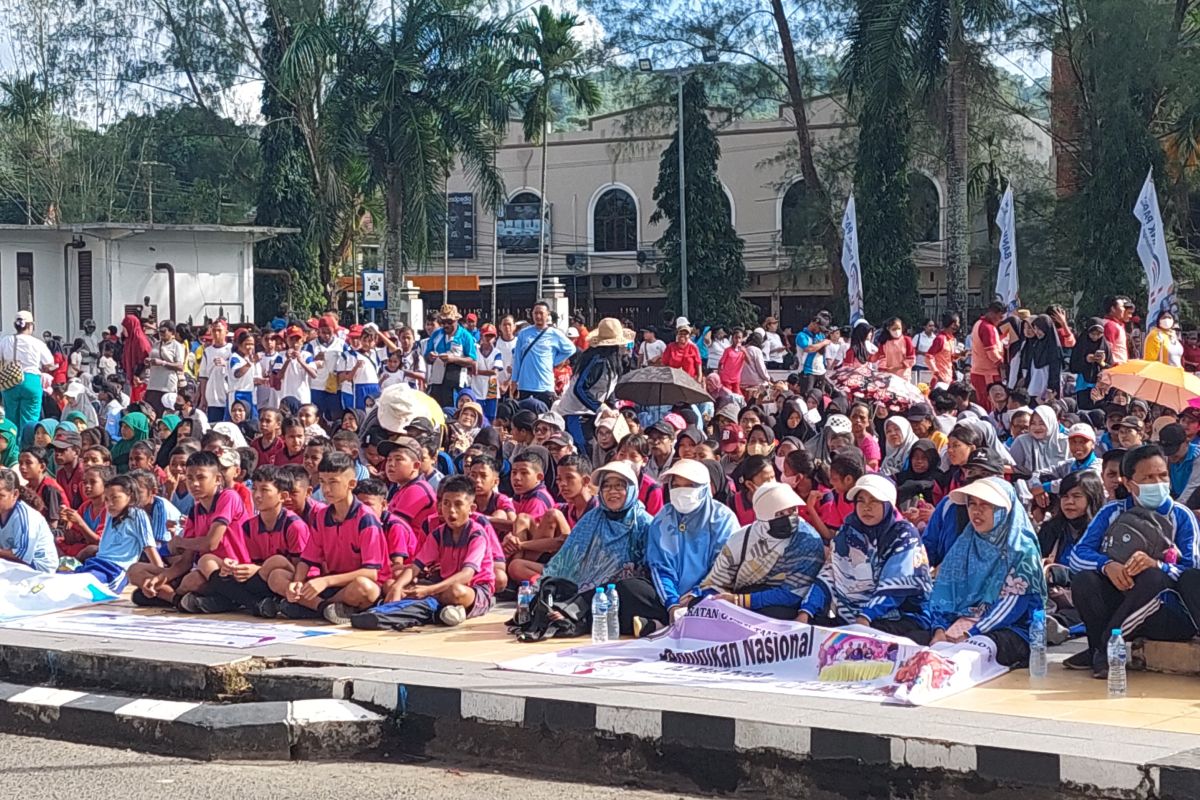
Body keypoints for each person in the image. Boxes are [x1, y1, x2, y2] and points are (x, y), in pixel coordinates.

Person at [1068, 444, 1198, 678]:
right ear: (1129, 483)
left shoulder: (1181, 515)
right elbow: (1077, 556)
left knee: (1153, 577)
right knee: (1085, 580)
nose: (1157, 483)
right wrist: (1107, 566)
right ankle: (1097, 647)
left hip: (1166, 611)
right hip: (1123, 598)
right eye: (1148, 477)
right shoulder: (1112, 512)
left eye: (1162, 475)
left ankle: (1107, 647)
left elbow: (1192, 571)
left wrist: (1157, 564)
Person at [928, 477, 1047, 667]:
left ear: (1003, 510)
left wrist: (971, 633)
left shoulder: (1022, 551)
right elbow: (943, 593)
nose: (976, 511)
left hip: (1011, 629)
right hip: (962, 623)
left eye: (986, 505)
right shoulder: (964, 544)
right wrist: (939, 630)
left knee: (974, 652)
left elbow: (1012, 607)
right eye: (972, 504)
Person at [614, 459, 736, 637]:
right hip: (670, 596)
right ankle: (673, 621)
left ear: (704, 488)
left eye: (689, 485)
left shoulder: (722, 519)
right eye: (676, 485)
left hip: (707, 592)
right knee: (629, 588)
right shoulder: (663, 519)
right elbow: (660, 567)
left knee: (721, 601)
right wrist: (672, 604)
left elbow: (724, 569)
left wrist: (695, 594)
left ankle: (662, 626)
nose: (682, 491)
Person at [271, 452, 386, 623]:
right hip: (328, 583)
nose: (326, 489)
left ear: (351, 484)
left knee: (364, 588)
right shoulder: (322, 516)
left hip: (352, 585)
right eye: (323, 482)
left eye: (333, 482)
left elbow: (371, 573)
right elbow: (307, 559)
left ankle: (316, 607)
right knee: (277, 576)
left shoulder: (365, 518)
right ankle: (325, 608)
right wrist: (297, 582)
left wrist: (326, 581)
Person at [825, 474, 932, 642]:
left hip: (902, 615)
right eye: (861, 500)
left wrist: (865, 617)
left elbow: (895, 588)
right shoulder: (848, 531)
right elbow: (830, 572)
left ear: (888, 505)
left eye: (874, 501)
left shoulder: (904, 535)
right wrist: (806, 611)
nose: (866, 507)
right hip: (854, 613)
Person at [701, 482, 826, 620]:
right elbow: (716, 580)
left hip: (782, 604)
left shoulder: (807, 540)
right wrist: (715, 599)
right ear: (764, 517)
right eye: (780, 513)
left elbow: (793, 594)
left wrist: (740, 601)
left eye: (792, 510)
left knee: (774, 615)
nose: (789, 518)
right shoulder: (741, 539)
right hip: (741, 593)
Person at [386, 476, 497, 626]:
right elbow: (416, 566)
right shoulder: (438, 534)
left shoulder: (477, 534)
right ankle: (442, 610)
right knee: (392, 584)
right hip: (441, 584)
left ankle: (430, 607)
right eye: (446, 504)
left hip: (474, 588)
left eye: (458, 504)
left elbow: (467, 574)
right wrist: (397, 587)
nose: (451, 510)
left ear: (471, 509)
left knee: (456, 592)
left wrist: (429, 590)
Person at [540, 461, 650, 594]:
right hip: (587, 588)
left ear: (631, 489)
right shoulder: (591, 519)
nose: (612, 491)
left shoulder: (643, 522)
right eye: (606, 486)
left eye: (619, 486)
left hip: (627, 593)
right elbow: (568, 557)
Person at [512, 302, 576, 408]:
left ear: (547, 315)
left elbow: (570, 349)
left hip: (545, 385)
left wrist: (554, 361)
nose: (538, 316)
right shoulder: (523, 333)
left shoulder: (554, 333)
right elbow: (517, 359)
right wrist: (514, 381)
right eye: (535, 313)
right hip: (525, 385)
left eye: (541, 313)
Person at [0, 310, 54, 432]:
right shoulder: (37, 342)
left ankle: (12, 446)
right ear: (30, 325)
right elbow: (49, 363)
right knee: (30, 419)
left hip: (10, 381)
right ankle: (27, 446)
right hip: (31, 380)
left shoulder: (5, 340)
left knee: (11, 418)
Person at [0, 467, 58, 572]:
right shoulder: (3, 511)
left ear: (15, 494)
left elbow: (22, 555)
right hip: (13, 563)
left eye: (1, 496)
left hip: (39, 567)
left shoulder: (24, 516)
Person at [969, 302, 1007, 411]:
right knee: (990, 406)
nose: (1000, 321)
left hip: (978, 372)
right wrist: (1003, 364)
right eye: (999, 317)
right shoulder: (988, 328)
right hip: (987, 374)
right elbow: (992, 353)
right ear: (992, 313)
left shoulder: (978, 324)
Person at [144, 321, 186, 414]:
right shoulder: (156, 344)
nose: (161, 334)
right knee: (150, 412)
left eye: (164, 331)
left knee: (164, 412)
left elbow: (180, 366)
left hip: (167, 386)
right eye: (160, 331)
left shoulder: (177, 346)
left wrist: (163, 363)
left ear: (172, 332)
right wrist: (148, 362)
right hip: (153, 384)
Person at [1069, 318, 1111, 410]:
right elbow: (1073, 367)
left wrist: (1102, 363)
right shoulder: (1081, 344)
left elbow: (1110, 369)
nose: (1095, 337)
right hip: (1083, 385)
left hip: (1100, 386)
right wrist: (1086, 360)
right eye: (1093, 334)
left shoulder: (1106, 346)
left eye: (1099, 334)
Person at [197, 321, 233, 424]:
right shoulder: (207, 351)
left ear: (226, 332)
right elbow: (203, 376)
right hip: (213, 396)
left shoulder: (232, 349)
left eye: (219, 330)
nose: (217, 333)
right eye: (214, 331)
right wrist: (203, 397)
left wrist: (226, 363)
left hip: (228, 395)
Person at [795, 313, 831, 394]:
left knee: (820, 397)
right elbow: (809, 349)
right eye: (819, 328)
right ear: (814, 323)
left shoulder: (820, 335)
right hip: (807, 372)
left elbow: (822, 352)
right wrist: (823, 343)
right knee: (807, 396)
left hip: (821, 371)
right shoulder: (802, 335)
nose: (820, 331)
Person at [872, 317, 916, 381]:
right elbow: (882, 359)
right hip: (888, 376)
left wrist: (897, 368)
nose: (897, 331)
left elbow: (911, 359)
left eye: (899, 328)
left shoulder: (907, 340)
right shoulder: (884, 342)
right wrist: (884, 370)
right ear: (888, 329)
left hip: (904, 376)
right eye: (894, 329)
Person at [924, 312, 961, 389]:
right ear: (953, 324)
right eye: (958, 322)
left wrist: (962, 354)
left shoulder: (952, 339)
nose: (959, 325)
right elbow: (928, 357)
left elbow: (950, 358)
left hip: (949, 377)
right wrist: (936, 372)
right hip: (940, 379)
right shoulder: (940, 338)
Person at [1102, 295, 1131, 365]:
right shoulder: (1111, 326)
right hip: (1114, 369)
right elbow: (1107, 350)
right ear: (1113, 309)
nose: (1124, 309)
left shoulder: (1118, 325)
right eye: (1122, 307)